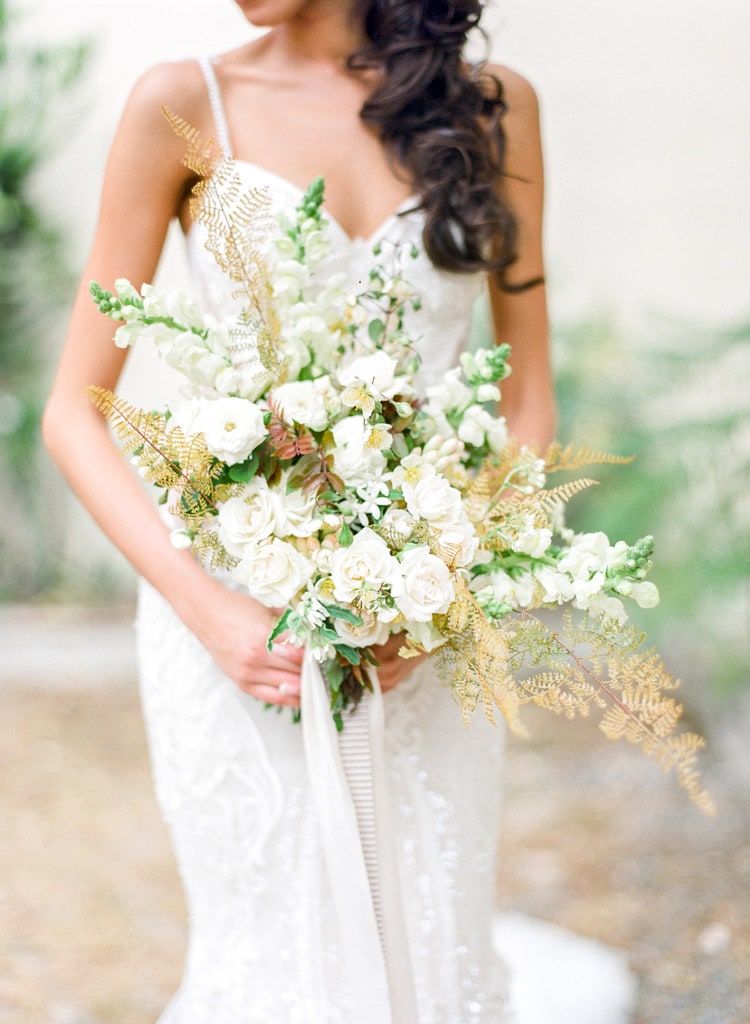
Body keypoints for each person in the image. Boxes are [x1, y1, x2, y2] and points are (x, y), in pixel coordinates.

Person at [43, 0, 635, 1021]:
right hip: (238, 624)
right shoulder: (183, 104)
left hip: (426, 617)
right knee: (274, 946)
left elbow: (528, 396)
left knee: (428, 922)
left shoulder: (495, 112)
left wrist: (448, 582)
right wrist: (206, 610)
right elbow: (73, 411)